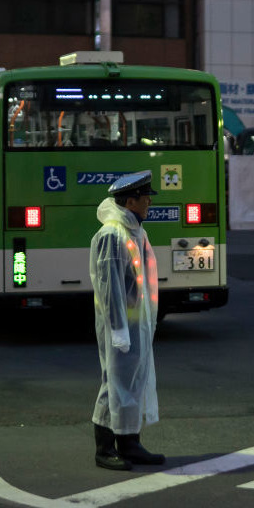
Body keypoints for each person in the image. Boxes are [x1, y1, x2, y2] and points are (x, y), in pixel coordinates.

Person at [89, 170, 164, 470]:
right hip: (120, 328)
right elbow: (109, 289)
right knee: (114, 384)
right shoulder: (112, 235)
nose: (149, 202)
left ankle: (129, 443)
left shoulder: (135, 231)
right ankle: (105, 449)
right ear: (130, 200)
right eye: (145, 197)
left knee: (134, 382)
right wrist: (119, 330)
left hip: (138, 325)